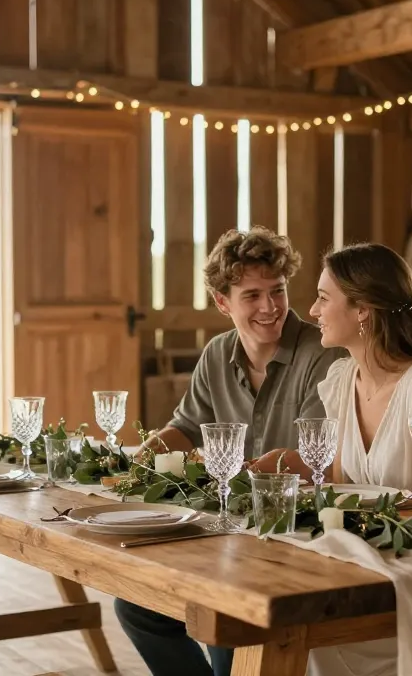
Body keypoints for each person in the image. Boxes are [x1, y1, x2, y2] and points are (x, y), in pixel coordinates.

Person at [115, 226, 345, 676]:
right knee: (137, 607)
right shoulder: (218, 353)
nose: (270, 307)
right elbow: (184, 427)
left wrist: (238, 470)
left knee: (223, 620)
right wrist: (136, 460)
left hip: (298, 527)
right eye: (252, 295)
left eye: (277, 291)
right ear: (223, 303)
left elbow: (321, 455)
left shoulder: (321, 353)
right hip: (229, 526)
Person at [304, 241, 412, 676]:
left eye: (324, 298)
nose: (312, 309)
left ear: (362, 309)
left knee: (302, 634)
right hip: (368, 561)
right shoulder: (342, 379)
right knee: (279, 618)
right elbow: (340, 479)